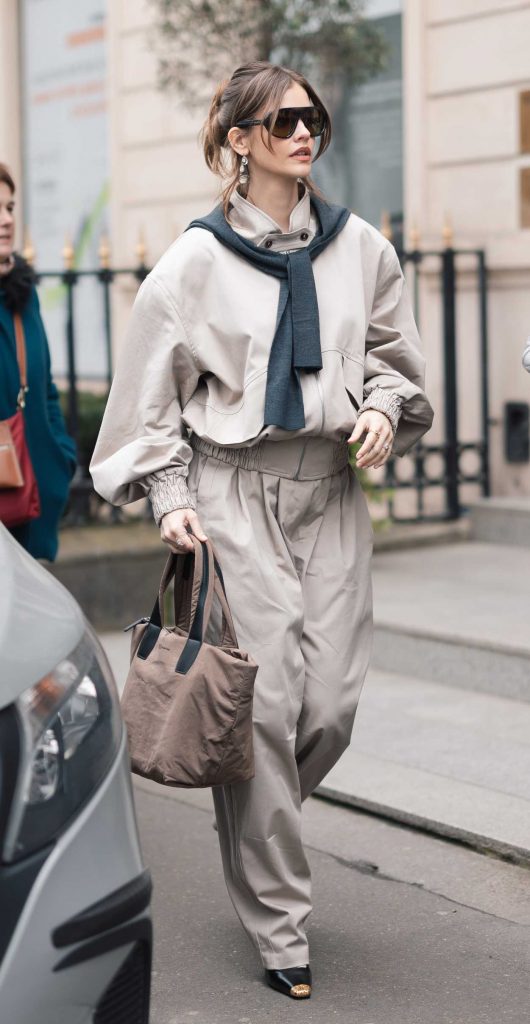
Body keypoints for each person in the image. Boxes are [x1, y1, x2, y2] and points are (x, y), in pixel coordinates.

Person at [91, 62, 434, 1000]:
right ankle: (282, 924)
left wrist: (383, 406)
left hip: (332, 493)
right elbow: (146, 400)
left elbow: (397, 362)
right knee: (268, 707)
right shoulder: (193, 264)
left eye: (310, 116)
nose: (303, 131)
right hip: (234, 495)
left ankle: (251, 809)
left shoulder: (362, 248)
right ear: (238, 140)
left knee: (328, 710)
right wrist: (170, 493)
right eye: (281, 121)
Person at [0, 163, 76, 561]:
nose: (6, 220)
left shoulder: (22, 295)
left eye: (10, 207)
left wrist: (59, 460)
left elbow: (45, 389)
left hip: (33, 502)